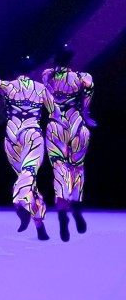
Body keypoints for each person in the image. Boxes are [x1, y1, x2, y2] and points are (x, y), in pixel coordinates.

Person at [0, 56, 57, 240]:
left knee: (27, 179)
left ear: (14, 72)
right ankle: (19, 201)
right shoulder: (40, 88)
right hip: (31, 133)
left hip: (12, 135)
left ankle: (39, 226)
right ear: (33, 71)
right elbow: (55, 112)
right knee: (28, 175)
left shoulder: (8, 85)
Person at [41, 45, 96, 241]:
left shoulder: (47, 75)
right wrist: (87, 116)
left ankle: (62, 213)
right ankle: (76, 205)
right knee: (77, 168)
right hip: (76, 123)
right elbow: (86, 104)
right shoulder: (83, 78)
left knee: (60, 169)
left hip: (56, 125)